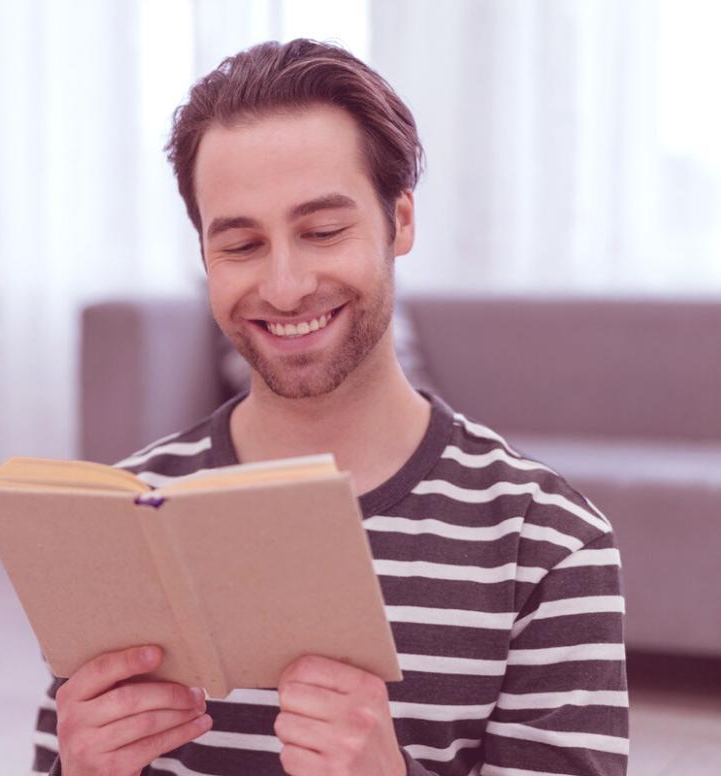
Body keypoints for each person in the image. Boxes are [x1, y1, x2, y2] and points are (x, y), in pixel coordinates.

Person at [31, 38, 628, 776]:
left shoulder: (548, 542)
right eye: (242, 245)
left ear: (399, 221)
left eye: (322, 231)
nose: (284, 287)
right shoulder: (125, 516)